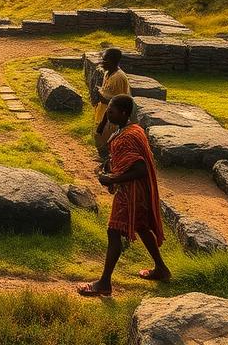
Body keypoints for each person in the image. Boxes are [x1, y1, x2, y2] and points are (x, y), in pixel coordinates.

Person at [78, 94, 168, 297]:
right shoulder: (133, 129)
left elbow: (141, 168)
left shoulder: (128, 136)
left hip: (131, 192)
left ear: (124, 113)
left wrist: (112, 179)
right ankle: (161, 269)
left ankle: (104, 283)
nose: (108, 113)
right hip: (139, 191)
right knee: (142, 227)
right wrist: (110, 167)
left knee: (113, 231)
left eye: (112, 110)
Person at [92, 47, 130, 157]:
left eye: (105, 60)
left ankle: (109, 160)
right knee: (101, 135)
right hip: (103, 110)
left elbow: (115, 101)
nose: (102, 63)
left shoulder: (118, 77)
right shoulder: (108, 73)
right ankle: (103, 157)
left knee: (109, 137)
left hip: (113, 114)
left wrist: (100, 95)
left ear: (113, 61)